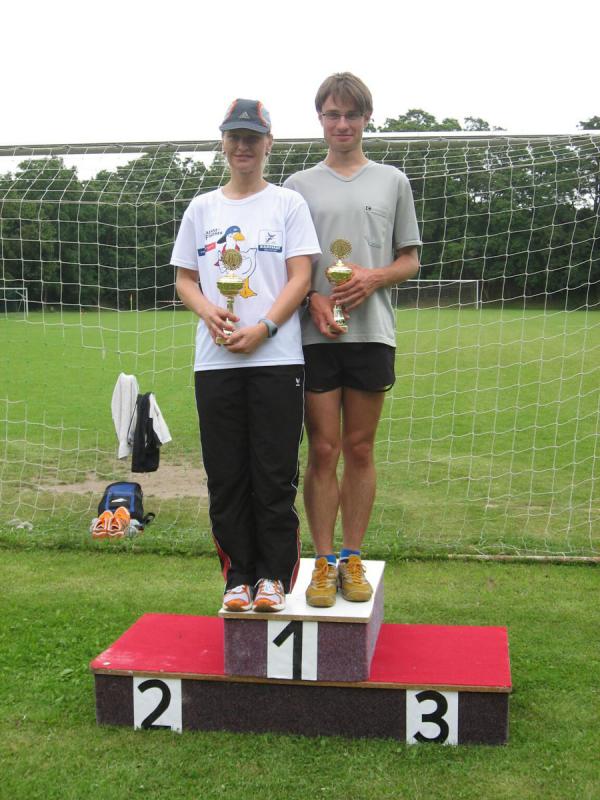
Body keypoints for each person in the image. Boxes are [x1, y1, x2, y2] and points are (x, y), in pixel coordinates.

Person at [172, 99, 320, 613]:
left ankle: (273, 578)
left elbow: (301, 276)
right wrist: (209, 313)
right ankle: (237, 577)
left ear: (268, 144)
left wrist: (265, 327)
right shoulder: (202, 209)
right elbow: (185, 279)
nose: (242, 146)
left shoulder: (288, 204)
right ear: (223, 142)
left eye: (252, 138)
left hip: (277, 360)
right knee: (226, 475)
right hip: (216, 363)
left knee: (273, 474)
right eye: (234, 137)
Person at [284, 73, 421, 607]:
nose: (342, 124)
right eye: (332, 114)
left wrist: (372, 277)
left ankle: (352, 555)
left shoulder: (392, 181)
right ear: (320, 119)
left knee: (360, 448)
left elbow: (409, 259)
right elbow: (288, 268)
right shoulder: (297, 186)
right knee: (323, 448)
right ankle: (321, 562)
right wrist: (311, 299)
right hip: (313, 336)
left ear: (367, 118)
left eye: (352, 115)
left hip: (371, 334)